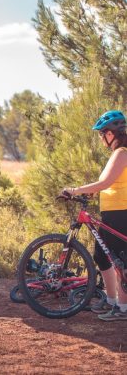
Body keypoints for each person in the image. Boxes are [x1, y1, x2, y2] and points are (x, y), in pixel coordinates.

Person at [63, 110, 127, 321]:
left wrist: (76, 190)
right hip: (113, 213)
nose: (100, 138)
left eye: (102, 133)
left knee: (120, 261)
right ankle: (111, 301)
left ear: (112, 133)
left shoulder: (122, 153)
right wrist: (90, 192)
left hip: (121, 213)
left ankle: (123, 309)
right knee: (102, 256)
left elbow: (106, 183)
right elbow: (110, 184)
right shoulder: (118, 153)